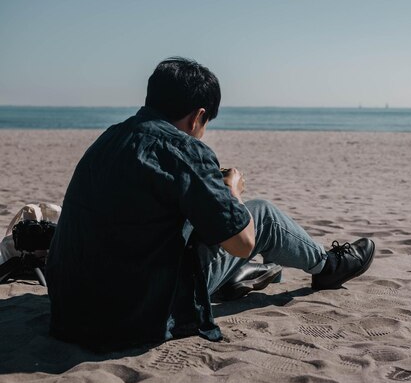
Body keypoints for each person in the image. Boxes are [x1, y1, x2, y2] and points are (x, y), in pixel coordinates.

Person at [45, 57, 375, 349]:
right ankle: (328, 267)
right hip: (135, 319)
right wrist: (232, 190)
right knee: (261, 215)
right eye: (205, 123)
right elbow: (243, 242)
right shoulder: (185, 149)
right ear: (198, 116)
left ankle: (235, 276)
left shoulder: (110, 138)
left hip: (70, 313)